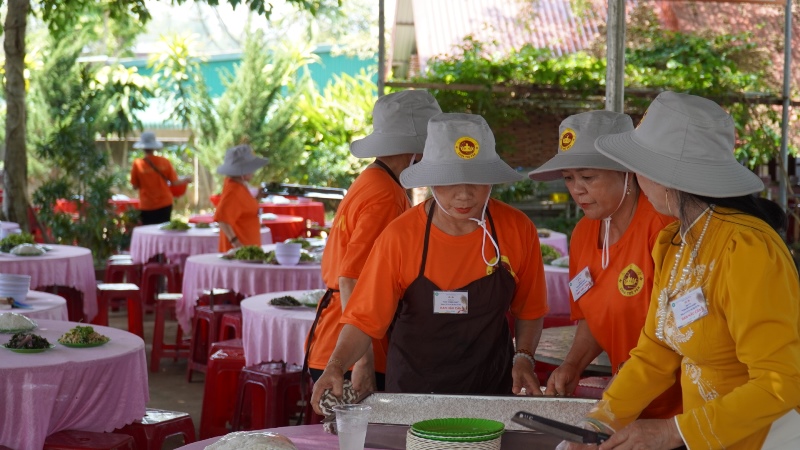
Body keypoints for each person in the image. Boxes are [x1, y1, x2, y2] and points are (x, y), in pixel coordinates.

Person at [567, 91, 800, 449]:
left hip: (765, 439)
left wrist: (672, 432)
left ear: (666, 176)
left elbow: (781, 381)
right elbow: (656, 352)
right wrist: (601, 420)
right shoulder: (674, 242)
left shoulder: (746, 247)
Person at [310, 112, 549, 411]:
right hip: (413, 394)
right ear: (431, 179)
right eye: (450, 181)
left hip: (491, 392)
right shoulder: (400, 236)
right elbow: (363, 320)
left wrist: (524, 356)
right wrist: (335, 365)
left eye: (477, 180)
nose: (464, 194)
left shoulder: (517, 229)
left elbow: (530, 310)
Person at [528, 111, 682, 419]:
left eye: (588, 177)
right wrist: (573, 364)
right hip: (623, 405)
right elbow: (592, 318)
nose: (577, 189)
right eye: (569, 178)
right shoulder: (583, 234)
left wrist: (636, 372)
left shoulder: (665, 227)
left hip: (679, 409)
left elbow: (688, 326)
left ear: (626, 171)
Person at [304, 90, 442, 394]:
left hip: (336, 338)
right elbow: (351, 278)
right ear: (418, 151)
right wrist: (362, 361)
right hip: (354, 348)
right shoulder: (385, 195)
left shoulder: (372, 179)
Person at [214, 144, 269, 252]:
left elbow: (243, 208)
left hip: (248, 249)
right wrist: (236, 244)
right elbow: (222, 219)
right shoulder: (233, 190)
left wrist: (258, 197)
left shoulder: (239, 185)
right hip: (239, 252)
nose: (253, 172)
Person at [130, 131, 190, 225]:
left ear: (142, 147)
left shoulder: (137, 164)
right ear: (154, 146)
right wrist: (186, 180)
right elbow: (174, 182)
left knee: (149, 232)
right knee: (163, 230)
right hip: (165, 204)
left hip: (147, 205)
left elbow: (134, 186)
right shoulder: (164, 162)